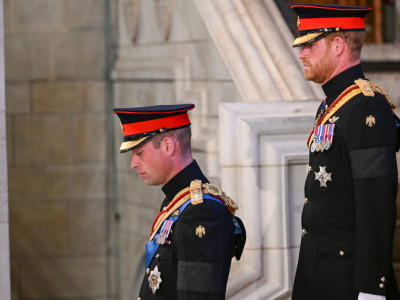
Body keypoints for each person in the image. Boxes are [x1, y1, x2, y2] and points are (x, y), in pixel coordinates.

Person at [290, 4, 400, 300]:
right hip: (321, 275)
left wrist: (371, 289)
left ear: (337, 45)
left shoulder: (366, 106)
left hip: (349, 282)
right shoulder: (333, 105)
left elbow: (376, 200)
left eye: (310, 45)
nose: (302, 54)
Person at [113, 104, 245, 300]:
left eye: (139, 153)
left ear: (168, 146)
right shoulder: (176, 202)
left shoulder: (202, 212)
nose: (133, 164)